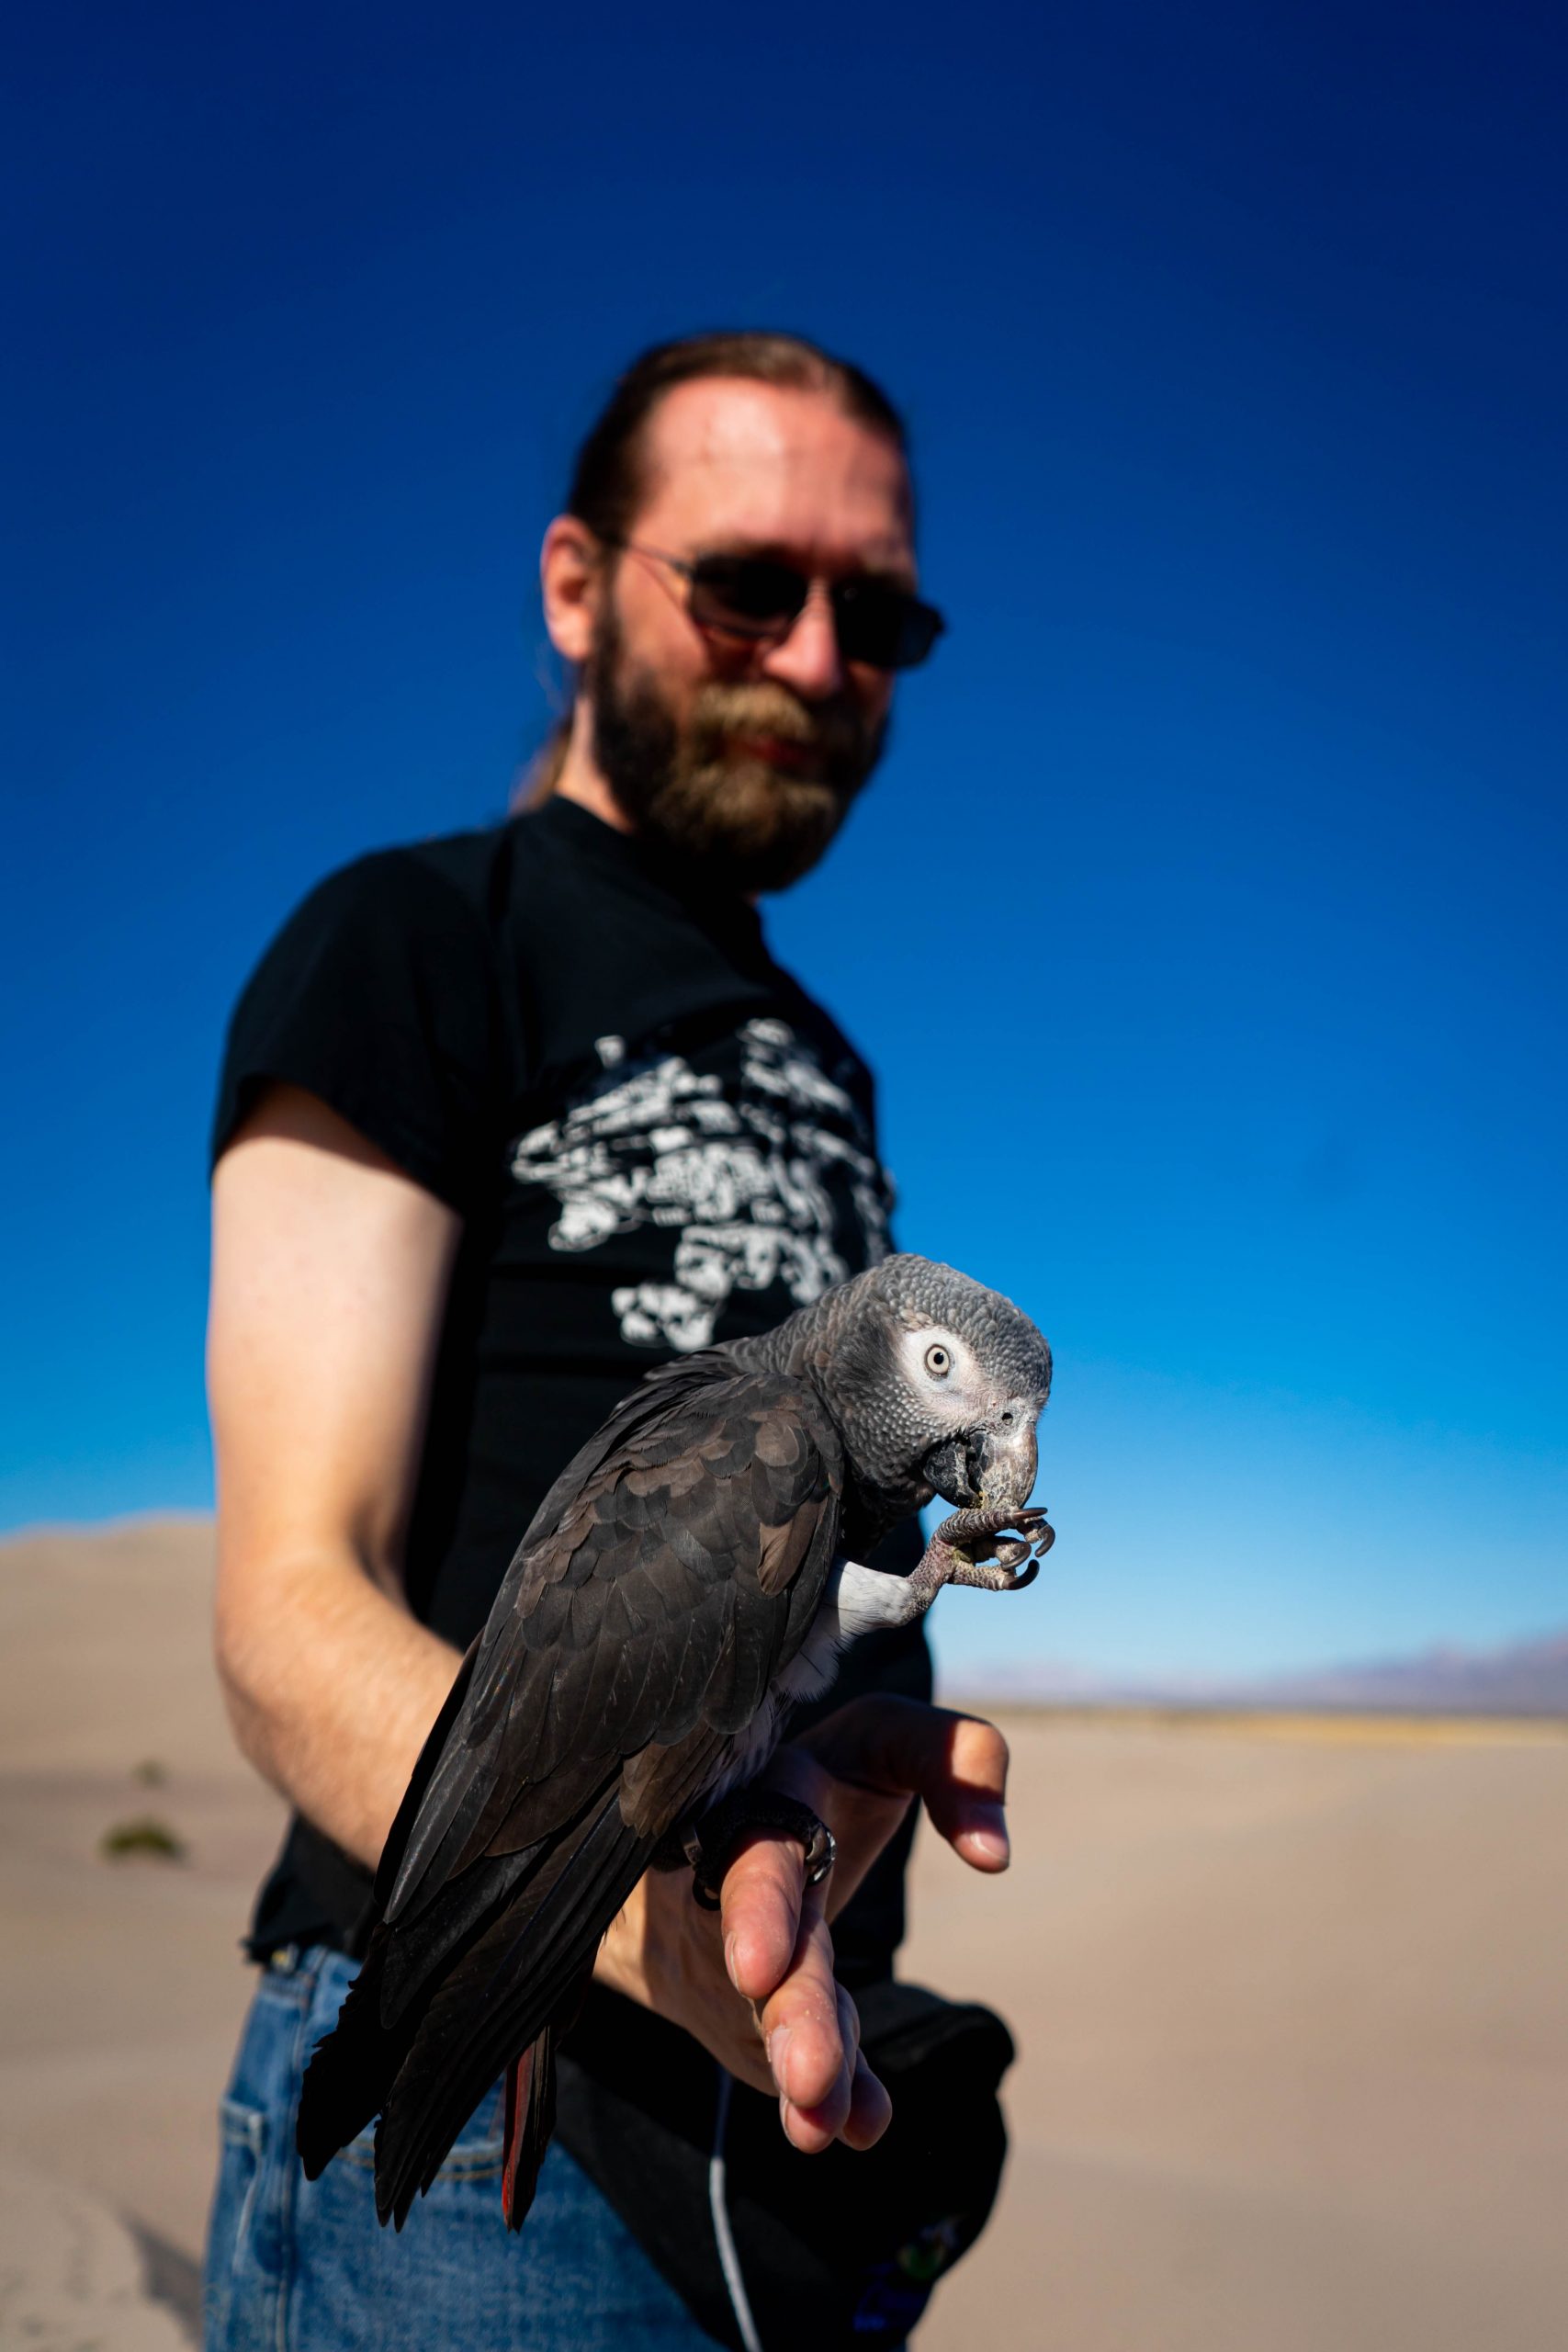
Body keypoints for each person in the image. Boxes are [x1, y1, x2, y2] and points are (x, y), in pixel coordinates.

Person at [203, 331, 1016, 2352]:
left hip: (782, 2137)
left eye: (880, 611)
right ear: (575, 584)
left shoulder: (827, 1056)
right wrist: (654, 1930)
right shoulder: (412, 937)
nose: (819, 657)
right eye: (747, 583)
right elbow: (289, 1600)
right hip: (499, 2090)